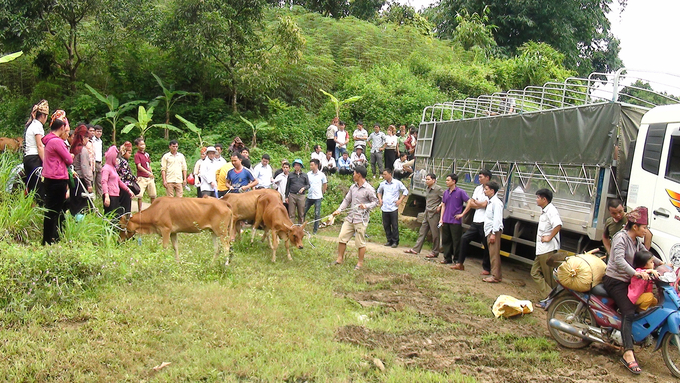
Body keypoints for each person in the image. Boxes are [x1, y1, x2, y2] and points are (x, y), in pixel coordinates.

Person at [603, 206, 659, 375]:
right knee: (628, 311)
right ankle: (628, 353)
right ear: (635, 227)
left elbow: (647, 254)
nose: (646, 231)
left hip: (627, 280)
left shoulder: (636, 241)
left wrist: (665, 265)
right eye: (644, 228)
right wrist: (636, 273)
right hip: (614, 281)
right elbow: (619, 260)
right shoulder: (621, 238)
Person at [331, 166, 378, 270]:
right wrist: (339, 210)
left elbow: (375, 202)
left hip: (360, 219)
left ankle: (360, 263)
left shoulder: (369, 189)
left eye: (354, 173)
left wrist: (366, 206)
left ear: (359, 175)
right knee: (342, 237)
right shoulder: (353, 187)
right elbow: (347, 200)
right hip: (350, 217)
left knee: (360, 242)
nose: (353, 175)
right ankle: (339, 259)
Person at [41, 117, 72, 245]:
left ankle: (50, 238)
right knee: (54, 211)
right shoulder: (57, 142)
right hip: (57, 178)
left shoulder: (48, 140)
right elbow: (69, 159)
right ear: (61, 128)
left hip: (50, 177)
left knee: (51, 209)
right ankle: (48, 240)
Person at [456, 169, 492, 274]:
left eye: (481, 177)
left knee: (486, 244)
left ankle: (487, 268)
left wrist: (476, 203)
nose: (479, 179)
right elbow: (471, 203)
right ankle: (460, 263)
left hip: (485, 222)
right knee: (464, 238)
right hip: (476, 220)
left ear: (487, 178)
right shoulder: (477, 188)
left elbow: (485, 204)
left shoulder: (491, 189)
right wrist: (464, 213)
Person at [532, 188, 563, 297]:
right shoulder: (545, 210)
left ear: (544, 199)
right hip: (541, 250)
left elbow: (558, 225)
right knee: (534, 272)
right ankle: (549, 296)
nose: (536, 200)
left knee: (549, 277)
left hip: (547, 249)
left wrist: (549, 237)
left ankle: (550, 300)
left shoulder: (551, 210)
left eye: (538, 198)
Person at [405, 173, 443, 258]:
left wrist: (439, 207)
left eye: (428, 179)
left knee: (435, 234)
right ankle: (416, 249)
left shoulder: (438, 189)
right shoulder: (427, 188)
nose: (426, 181)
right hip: (427, 212)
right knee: (422, 231)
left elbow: (445, 199)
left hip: (434, 214)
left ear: (433, 180)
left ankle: (435, 252)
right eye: (426, 179)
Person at [439, 174, 470, 267]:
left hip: (455, 221)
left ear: (454, 181)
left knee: (456, 241)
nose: (446, 182)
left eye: (448, 180)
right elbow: (443, 205)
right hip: (446, 219)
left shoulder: (460, 192)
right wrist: (441, 218)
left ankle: (456, 259)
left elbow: (469, 202)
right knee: (446, 240)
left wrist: (462, 214)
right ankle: (447, 258)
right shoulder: (446, 192)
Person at [23, 99, 49, 203]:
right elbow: (40, 146)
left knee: (31, 186)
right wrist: (45, 162)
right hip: (34, 158)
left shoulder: (31, 125)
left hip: (27, 158)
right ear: (43, 116)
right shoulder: (38, 126)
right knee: (38, 187)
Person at [377, 169, 408, 248]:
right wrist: (380, 199)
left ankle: (395, 241)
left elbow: (405, 191)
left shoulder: (397, 183)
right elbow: (379, 192)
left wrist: (400, 200)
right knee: (386, 225)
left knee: (394, 225)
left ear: (390, 174)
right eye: (383, 174)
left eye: (385, 174)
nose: (384, 176)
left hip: (393, 207)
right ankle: (389, 240)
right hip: (385, 207)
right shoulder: (383, 184)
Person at [101, 145, 135, 218]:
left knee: (117, 216)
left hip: (116, 194)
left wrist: (128, 190)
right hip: (110, 195)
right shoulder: (106, 168)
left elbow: (119, 181)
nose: (117, 160)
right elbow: (104, 182)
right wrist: (106, 196)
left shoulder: (113, 168)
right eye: (116, 158)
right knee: (111, 216)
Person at [70, 124, 94, 218]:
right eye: (87, 138)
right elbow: (85, 167)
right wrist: (89, 184)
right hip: (81, 181)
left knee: (74, 204)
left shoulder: (72, 148)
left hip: (73, 180)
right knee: (82, 206)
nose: (87, 140)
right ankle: (79, 226)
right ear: (82, 137)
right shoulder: (82, 150)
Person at [482, 181, 504, 283]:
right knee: (492, 253)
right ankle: (496, 275)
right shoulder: (491, 202)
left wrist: (494, 233)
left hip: (493, 230)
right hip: (490, 230)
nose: (484, 191)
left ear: (492, 190)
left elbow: (497, 219)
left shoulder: (496, 203)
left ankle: (495, 276)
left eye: (486, 189)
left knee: (494, 254)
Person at [304, 159, 328, 234]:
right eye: (310, 165)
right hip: (309, 196)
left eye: (312, 165)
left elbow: (325, 184)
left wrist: (322, 192)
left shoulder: (321, 175)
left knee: (317, 214)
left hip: (317, 197)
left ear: (316, 165)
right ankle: (301, 227)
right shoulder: (308, 174)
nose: (311, 166)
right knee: (303, 212)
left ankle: (315, 230)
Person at [133, 138, 156, 211]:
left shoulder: (146, 154)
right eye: (141, 145)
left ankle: (153, 210)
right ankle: (140, 210)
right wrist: (148, 172)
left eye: (143, 144)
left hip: (149, 177)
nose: (143, 146)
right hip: (142, 177)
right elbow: (139, 166)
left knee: (153, 195)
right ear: (137, 146)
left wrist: (151, 173)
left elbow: (149, 164)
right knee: (139, 195)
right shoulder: (137, 155)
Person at [285, 159, 309, 224]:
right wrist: (286, 196)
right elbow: (288, 186)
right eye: (295, 165)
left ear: (301, 166)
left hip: (301, 196)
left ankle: (300, 227)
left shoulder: (304, 175)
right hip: (292, 195)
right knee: (291, 213)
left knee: (301, 213)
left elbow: (308, 185)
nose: (296, 166)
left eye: (298, 165)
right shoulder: (290, 175)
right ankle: (292, 227)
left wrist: (304, 188)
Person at [115, 141, 135, 214]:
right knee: (126, 206)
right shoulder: (123, 162)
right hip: (125, 185)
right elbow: (126, 174)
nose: (130, 155)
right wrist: (133, 177)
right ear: (124, 152)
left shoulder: (117, 160)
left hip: (118, 185)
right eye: (129, 153)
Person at [92, 125, 104, 196]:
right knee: (92, 180)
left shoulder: (100, 141)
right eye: (98, 131)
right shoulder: (92, 140)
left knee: (99, 181)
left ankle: (99, 197)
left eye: (100, 132)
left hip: (99, 162)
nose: (99, 133)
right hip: (93, 162)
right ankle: (91, 197)